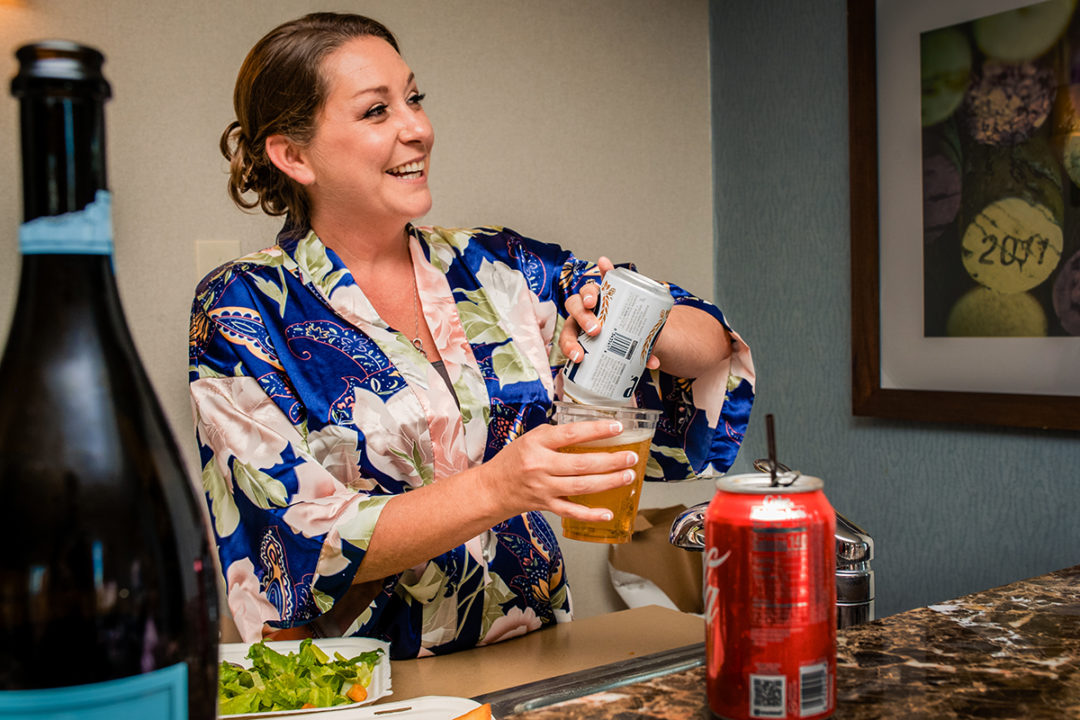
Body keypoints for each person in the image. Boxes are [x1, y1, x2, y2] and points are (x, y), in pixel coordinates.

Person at [188, 12, 755, 659]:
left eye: (415, 99)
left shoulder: (497, 267)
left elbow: (707, 344)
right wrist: (496, 488)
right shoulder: (245, 307)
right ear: (292, 154)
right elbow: (292, 538)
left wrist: (630, 323)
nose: (418, 128)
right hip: (370, 683)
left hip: (533, 660)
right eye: (378, 111)